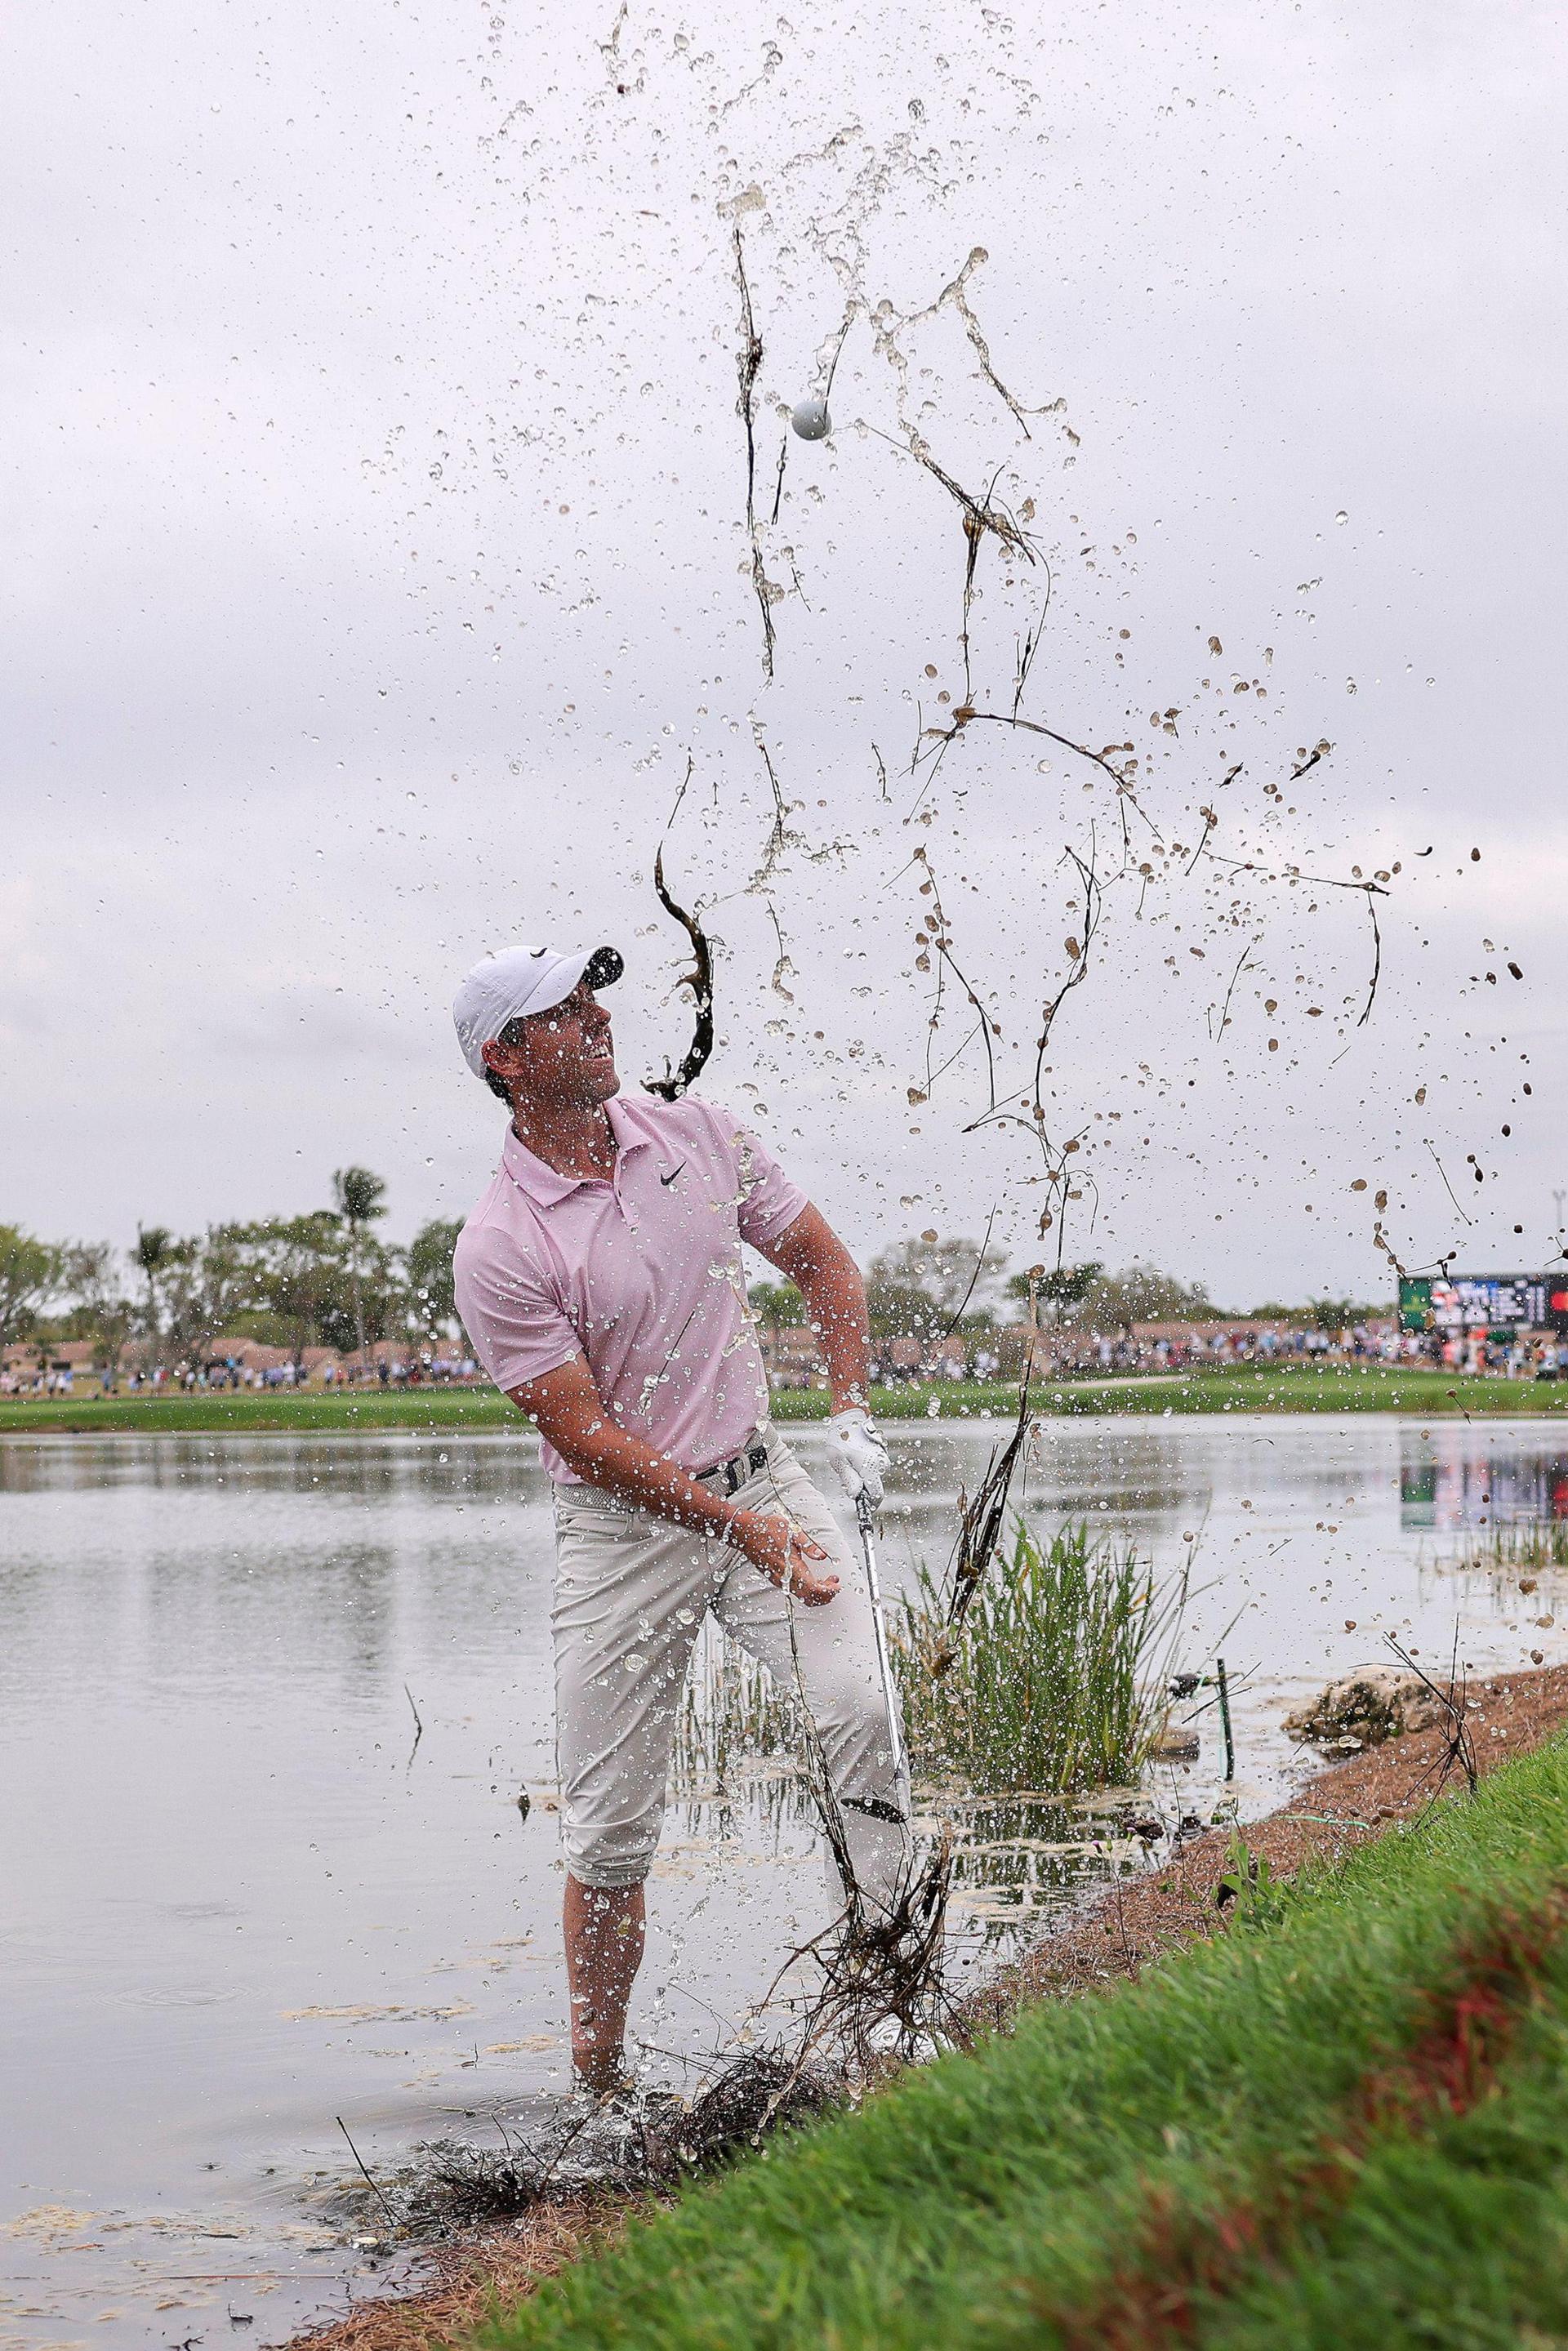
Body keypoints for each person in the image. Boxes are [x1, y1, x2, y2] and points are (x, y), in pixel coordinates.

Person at [451, 941, 906, 2095]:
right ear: (507, 1059)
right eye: (565, 1011)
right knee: (608, 1833)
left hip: (763, 1480)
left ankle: (889, 2006)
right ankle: (598, 2093)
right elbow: (587, 1438)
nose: (599, 1018)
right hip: (622, 1536)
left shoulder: (699, 1134)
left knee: (861, 1708)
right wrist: (732, 1529)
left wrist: (848, 1409)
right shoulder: (501, 1243)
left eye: (597, 998)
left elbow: (824, 1264)